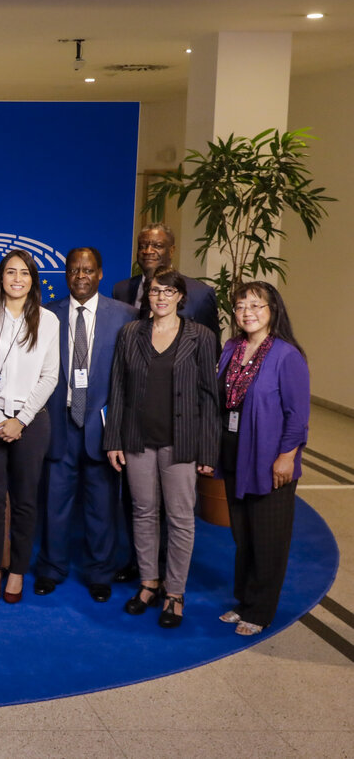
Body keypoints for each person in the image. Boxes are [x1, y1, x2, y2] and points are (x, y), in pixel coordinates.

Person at [105, 267, 220, 628]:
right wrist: (114, 440)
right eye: (155, 291)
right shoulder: (130, 333)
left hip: (181, 443)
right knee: (143, 512)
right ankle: (149, 583)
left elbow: (209, 398)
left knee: (181, 519)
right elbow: (118, 390)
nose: (161, 297)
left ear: (180, 297)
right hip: (138, 441)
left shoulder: (200, 337)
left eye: (169, 292)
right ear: (148, 295)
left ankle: (175, 592)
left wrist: (208, 450)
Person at [33, 248, 136, 602]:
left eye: (88, 270)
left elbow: (129, 379)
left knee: (102, 507)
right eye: (74, 270)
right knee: (54, 504)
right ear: (65, 274)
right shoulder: (47, 315)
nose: (81, 276)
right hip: (60, 425)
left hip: (102, 428)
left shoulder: (125, 316)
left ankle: (100, 573)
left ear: (101, 274)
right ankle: (51, 568)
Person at [0, 249, 59, 604]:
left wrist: (20, 420)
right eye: (10, 273)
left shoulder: (48, 321)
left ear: (33, 280)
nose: (17, 279)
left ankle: (17, 570)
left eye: (24, 273)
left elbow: (50, 376)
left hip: (30, 422)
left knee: (24, 501)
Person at [217, 282, 309, 636]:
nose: (247, 313)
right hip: (235, 453)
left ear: (272, 310)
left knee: (269, 538)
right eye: (240, 306)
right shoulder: (231, 348)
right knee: (244, 536)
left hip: (270, 459)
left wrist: (287, 457)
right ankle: (243, 601)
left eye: (256, 305)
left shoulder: (287, 356)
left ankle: (262, 610)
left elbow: (297, 416)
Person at [112, 222, 220, 341]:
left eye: (157, 246)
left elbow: (212, 348)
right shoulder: (121, 290)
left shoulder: (200, 294)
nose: (148, 251)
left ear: (172, 250)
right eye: (142, 246)